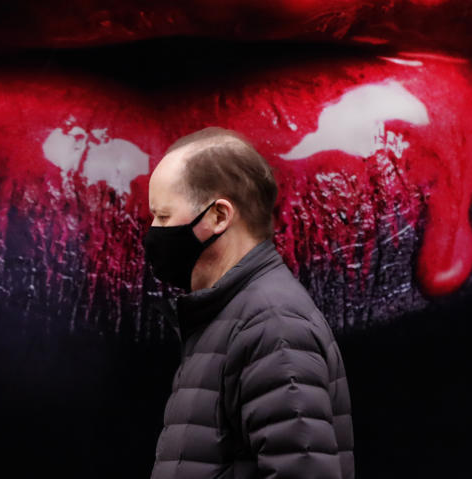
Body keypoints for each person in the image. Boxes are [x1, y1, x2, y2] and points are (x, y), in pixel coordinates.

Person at [144, 126, 354, 479]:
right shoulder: (227, 314)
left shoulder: (273, 325)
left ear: (219, 217)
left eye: (163, 216)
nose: (153, 229)